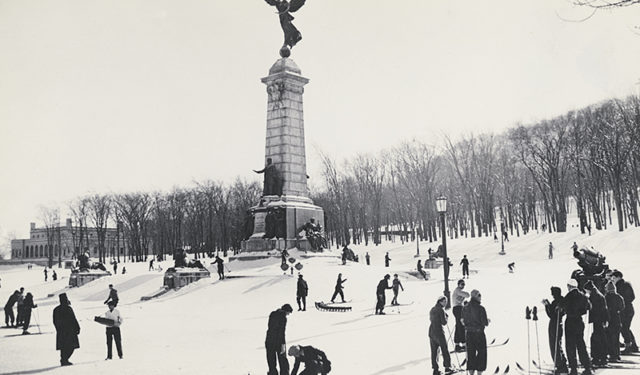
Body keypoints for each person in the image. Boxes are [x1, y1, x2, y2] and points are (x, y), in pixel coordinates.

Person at [562, 279, 593, 375]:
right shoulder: (582, 296)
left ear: (569, 286)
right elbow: (589, 307)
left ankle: (573, 368)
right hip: (579, 322)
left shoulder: (568, 296)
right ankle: (587, 367)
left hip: (570, 322)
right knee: (581, 344)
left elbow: (563, 307)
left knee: (570, 346)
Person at [462, 289, 490, 375]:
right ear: (475, 296)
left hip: (469, 334)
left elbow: (463, 321)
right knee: (481, 353)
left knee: (471, 354)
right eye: (479, 295)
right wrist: (487, 321)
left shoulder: (465, 308)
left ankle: (471, 373)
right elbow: (484, 322)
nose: (480, 297)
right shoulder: (481, 308)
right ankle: (479, 373)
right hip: (479, 333)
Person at [542, 287, 569, 374]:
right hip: (559, 323)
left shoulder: (556, 301)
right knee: (558, 344)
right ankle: (562, 363)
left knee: (554, 345)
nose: (551, 295)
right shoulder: (563, 300)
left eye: (552, 293)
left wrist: (546, 305)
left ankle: (560, 365)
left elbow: (551, 314)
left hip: (554, 324)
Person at [611, 270, 638, 354]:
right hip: (629, 309)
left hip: (624, 310)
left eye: (614, 277)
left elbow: (619, 298)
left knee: (624, 328)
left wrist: (622, 304)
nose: (613, 279)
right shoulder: (627, 284)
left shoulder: (619, 286)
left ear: (618, 277)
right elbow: (633, 297)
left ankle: (628, 347)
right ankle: (633, 346)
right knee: (626, 328)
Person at [584, 281, 608, 367]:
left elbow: (589, 306)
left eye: (586, 290)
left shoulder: (594, 296)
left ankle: (597, 357)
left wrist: (586, 299)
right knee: (599, 338)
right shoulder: (598, 294)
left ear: (589, 289)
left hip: (597, 320)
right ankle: (601, 357)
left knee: (596, 338)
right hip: (600, 320)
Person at [53, 293, 80, 366]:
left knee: (66, 347)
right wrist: (59, 329)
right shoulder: (59, 309)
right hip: (66, 331)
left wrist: (77, 327)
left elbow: (73, 319)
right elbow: (55, 321)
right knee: (68, 347)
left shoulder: (66, 308)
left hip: (68, 331)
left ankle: (64, 359)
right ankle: (64, 360)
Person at [265, 304, 293, 375]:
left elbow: (270, 327)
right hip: (278, 342)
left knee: (271, 360)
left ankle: (272, 373)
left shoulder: (272, 314)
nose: (288, 315)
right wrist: (283, 344)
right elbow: (281, 332)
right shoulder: (283, 318)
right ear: (286, 311)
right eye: (288, 313)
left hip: (269, 340)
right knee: (283, 361)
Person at [429, 296, 453, 375]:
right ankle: (447, 367)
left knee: (434, 351)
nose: (446, 303)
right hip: (439, 332)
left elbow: (431, 319)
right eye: (444, 301)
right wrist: (446, 317)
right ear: (440, 301)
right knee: (444, 349)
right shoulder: (441, 310)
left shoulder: (432, 309)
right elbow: (444, 322)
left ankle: (435, 369)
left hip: (431, 332)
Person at [604, 281, 625, 362]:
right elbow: (622, 307)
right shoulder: (619, 297)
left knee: (609, 338)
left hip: (609, 319)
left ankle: (612, 355)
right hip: (617, 318)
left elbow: (605, 308)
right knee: (616, 338)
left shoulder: (606, 297)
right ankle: (617, 355)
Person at [452, 279, 470, 352]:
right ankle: (464, 343)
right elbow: (467, 295)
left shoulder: (458, 292)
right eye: (462, 284)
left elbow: (461, 299)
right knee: (461, 326)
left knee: (458, 326)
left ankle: (457, 344)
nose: (463, 286)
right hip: (458, 309)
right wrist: (463, 298)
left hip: (457, 308)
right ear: (458, 284)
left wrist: (463, 300)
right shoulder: (458, 291)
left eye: (464, 284)